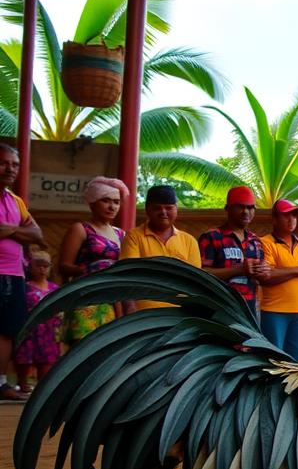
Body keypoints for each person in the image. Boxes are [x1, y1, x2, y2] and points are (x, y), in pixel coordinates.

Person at [59, 176, 129, 345]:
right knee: (82, 349)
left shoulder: (122, 234)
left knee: (108, 349)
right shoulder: (81, 229)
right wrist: (94, 270)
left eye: (116, 202)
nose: (112, 206)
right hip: (86, 297)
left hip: (113, 300)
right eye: (106, 200)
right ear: (92, 202)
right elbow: (63, 266)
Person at [0, 143, 44, 401]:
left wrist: (9, 229)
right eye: (4, 163)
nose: (10, 169)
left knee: (7, 329)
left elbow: (38, 235)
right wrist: (19, 231)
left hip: (14, 274)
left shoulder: (16, 201)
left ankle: (2, 382)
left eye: (15, 164)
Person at [121, 184, 202, 312]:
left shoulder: (189, 241)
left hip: (180, 315)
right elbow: (126, 277)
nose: (163, 212)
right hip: (142, 314)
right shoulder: (134, 237)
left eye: (169, 208)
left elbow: (196, 283)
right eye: (157, 208)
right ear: (148, 209)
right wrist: (130, 309)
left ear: (176, 209)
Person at [257, 200, 298, 360]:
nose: (291, 219)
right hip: (274, 311)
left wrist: (282, 271)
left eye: (294, 215)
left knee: (296, 362)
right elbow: (267, 276)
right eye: (285, 215)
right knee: (273, 361)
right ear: (274, 219)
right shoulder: (265, 243)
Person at [199, 186, 269, 321]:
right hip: (220, 309)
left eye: (250, 207)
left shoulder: (255, 241)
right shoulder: (212, 237)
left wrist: (264, 272)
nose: (246, 212)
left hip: (250, 310)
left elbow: (260, 279)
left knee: (248, 343)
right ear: (227, 209)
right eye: (240, 207)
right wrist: (239, 269)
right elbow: (201, 273)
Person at [14, 251, 58, 394]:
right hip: (29, 331)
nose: (42, 269)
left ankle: (42, 391)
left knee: (46, 364)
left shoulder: (54, 289)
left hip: (49, 332)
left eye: (46, 266)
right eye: (38, 265)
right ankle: (22, 385)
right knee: (24, 359)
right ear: (29, 266)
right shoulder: (24, 287)